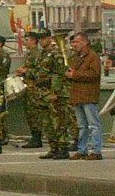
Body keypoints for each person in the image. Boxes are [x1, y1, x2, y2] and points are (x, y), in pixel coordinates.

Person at [66, 31, 103, 160]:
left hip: (88, 94)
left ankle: (96, 150)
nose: (73, 44)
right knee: (81, 125)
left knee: (93, 124)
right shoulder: (76, 57)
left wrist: (75, 74)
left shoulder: (93, 57)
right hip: (77, 94)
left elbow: (94, 74)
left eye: (76, 41)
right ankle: (82, 150)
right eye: (73, 42)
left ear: (85, 42)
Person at [36, 29, 70, 160]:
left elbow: (60, 74)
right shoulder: (42, 54)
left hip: (52, 92)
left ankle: (62, 147)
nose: (41, 40)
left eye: (43, 38)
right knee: (46, 122)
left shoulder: (55, 54)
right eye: (39, 38)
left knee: (58, 121)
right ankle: (53, 147)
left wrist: (55, 92)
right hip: (42, 92)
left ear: (50, 38)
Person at [15, 31, 45, 148]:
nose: (24, 42)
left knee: (35, 113)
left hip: (35, 88)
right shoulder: (29, 54)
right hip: (29, 86)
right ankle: (34, 136)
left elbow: (41, 72)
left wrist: (26, 71)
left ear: (33, 41)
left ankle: (37, 137)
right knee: (30, 113)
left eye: (27, 40)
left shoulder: (37, 54)